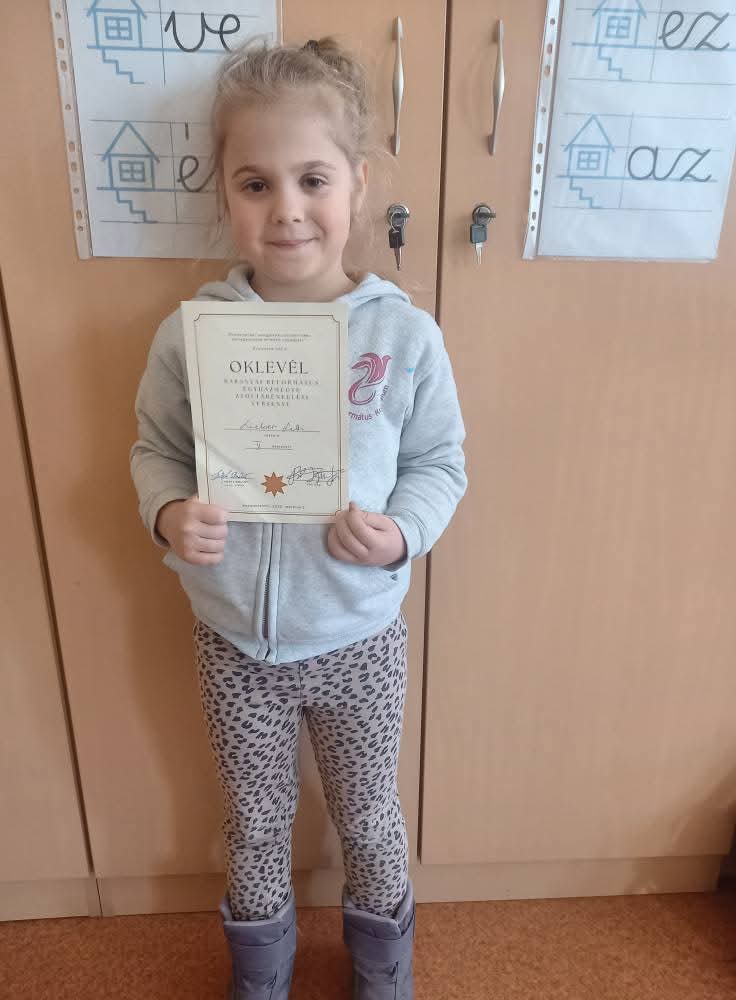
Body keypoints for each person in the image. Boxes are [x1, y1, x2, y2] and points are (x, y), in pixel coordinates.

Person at [130, 35, 466, 1000]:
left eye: (312, 179)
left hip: (360, 636)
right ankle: (261, 975)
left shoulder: (403, 335)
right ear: (225, 194)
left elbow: (440, 463)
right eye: (256, 183)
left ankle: (384, 969)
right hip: (236, 641)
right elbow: (155, 448)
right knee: (253, 821)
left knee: (370, 816)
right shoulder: (190, 335)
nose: (286, 209)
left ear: (357, 184)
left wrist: (401, 532)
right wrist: (169, 514)